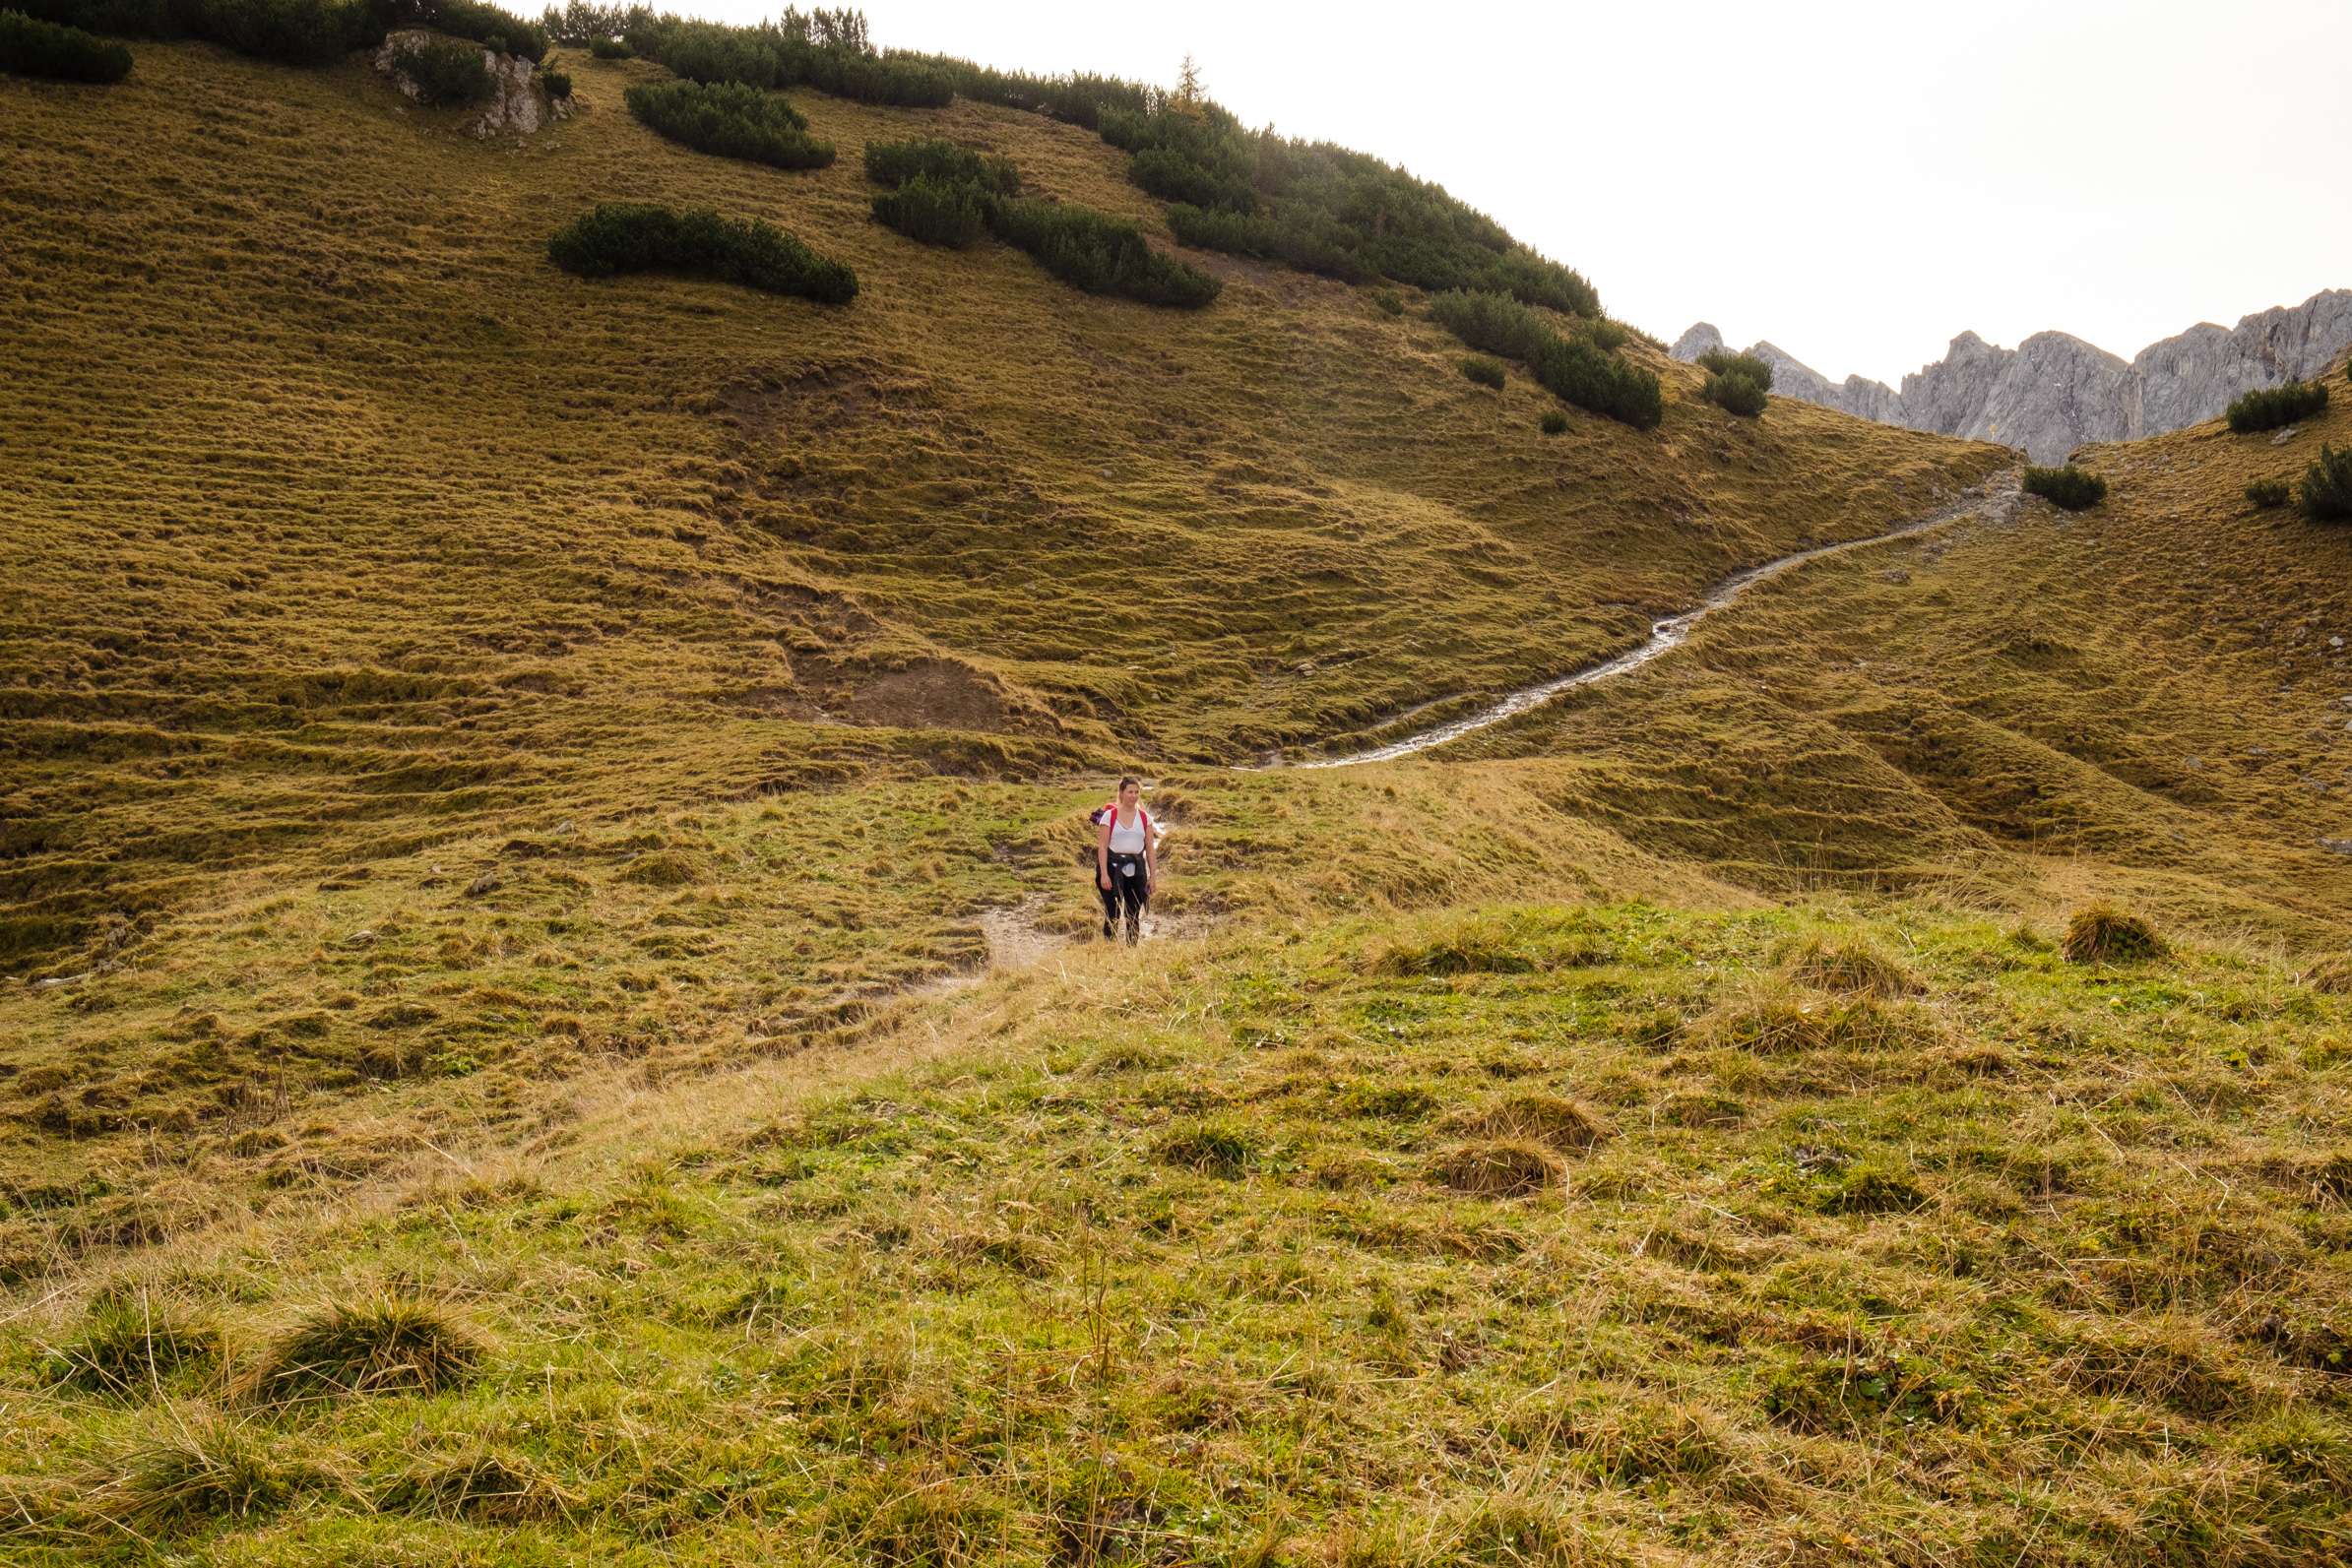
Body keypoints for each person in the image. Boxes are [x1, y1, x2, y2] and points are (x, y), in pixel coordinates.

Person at [1092, 776, 1158, 944]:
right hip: (1112, 869)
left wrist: (1153, 877)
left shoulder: (1145, 818)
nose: (1133, 796)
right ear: (1121, 793)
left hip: (1137, 870)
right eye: (1130, 792)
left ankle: (1131, 951)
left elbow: (1150, 849)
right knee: (1112, 911)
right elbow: (1102, 847)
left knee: (1133, 913)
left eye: (1136, 792)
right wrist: (1104, 874)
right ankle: (1109, 946)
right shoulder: (1109, 816)